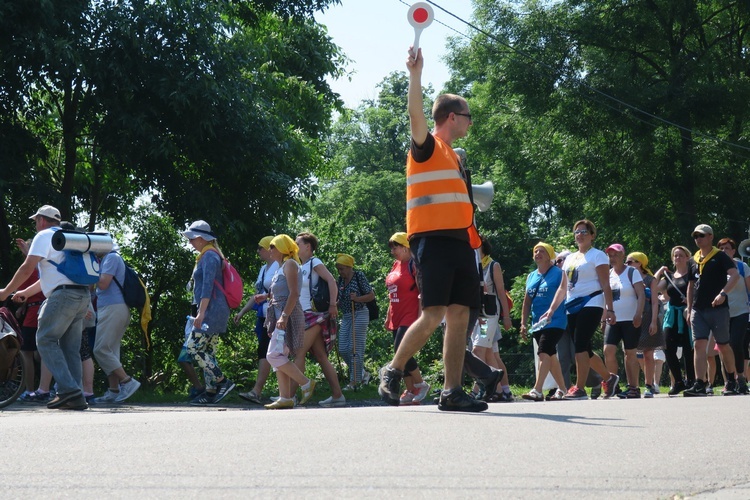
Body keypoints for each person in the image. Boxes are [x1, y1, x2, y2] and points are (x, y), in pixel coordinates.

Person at [378, 44, 488, 413]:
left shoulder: (455, 157)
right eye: (469, 116)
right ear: (453, 117)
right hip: (432, 242)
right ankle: (393, 370)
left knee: (458, 316)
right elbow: (414, 115)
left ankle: (452, 391)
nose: (471, 122)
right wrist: (415, 74)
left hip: (460, 243)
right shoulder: (426, 147)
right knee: (434, 313)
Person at [0, 205, 90, 410]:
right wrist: (24, 294)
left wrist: (5, 292)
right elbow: (50, 278)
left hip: (63, 297)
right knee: (70, 348)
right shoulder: (67, 237)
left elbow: (26, 268)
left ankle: (69, 390)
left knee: (44, 339)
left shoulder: (44, 236)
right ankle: (76, 397)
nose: (35, 225)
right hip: (82, 295)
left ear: (41, 220)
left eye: (35, 221)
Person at [540, 219, 619, 400]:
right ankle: (609, 378)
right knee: (585, 349)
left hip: (592, 302)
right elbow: (563, 287)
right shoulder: (570, 258)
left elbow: (606, 284)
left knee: (580, 346)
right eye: (577, 232)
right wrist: (552, 309)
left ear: (592, 235)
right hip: (572, 305)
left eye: (584, 231)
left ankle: (579, 388)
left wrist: (610, 309)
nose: (580, 235)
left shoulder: (598, 255)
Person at [182, 220, 235, 405]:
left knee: (193, 348)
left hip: (211, 311)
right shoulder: (208, 255)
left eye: (192, 239)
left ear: (201, 238)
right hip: (213, 310)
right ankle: (211, 392)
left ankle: (223, 382)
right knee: (207, 351)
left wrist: (201, 313)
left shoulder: (209, 257)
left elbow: (207, 287)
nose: (190, 242)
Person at [683, 224, 740, 396]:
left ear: (710, 237)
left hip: (718, 309)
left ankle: (731, 380)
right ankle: (700, 383)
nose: (698, 239)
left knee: (723, 345)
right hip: (698, 310)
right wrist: (689, 307)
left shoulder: (720, 256)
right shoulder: (693, 260)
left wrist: (723, 293)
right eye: (695, 236)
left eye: (701, 236)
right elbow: (691, 285)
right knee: (699, 345)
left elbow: (735, 275)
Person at [263, 234, 316, 409]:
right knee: (280, 355)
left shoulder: (291, 264)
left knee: (274, 355)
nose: (269, 250)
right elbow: (281, 292)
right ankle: (285, 397)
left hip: (288, 316)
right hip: (280, 316)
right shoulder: (280, 267)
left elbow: (294, 293)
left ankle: (306, 383)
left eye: (273, 246)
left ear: (282, 248)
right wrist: (264, 297)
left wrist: (284, 316)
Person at [293, 232, 345, 408]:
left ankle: (289, 396)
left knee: (298, 353)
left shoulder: (315, 262)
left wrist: (332, 304)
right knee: (322, 357)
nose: (295, 247)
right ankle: (338, 395)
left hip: (313, 316)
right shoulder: (301, 265)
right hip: (304, 315)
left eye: (298, 244)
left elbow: (331, 280)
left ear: (308, 247)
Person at [384, 232, 430, 404]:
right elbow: (391, 292)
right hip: (396, 315)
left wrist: (421, 317)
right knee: (398, 352)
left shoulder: (414, 264)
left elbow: (421, 292)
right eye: (391, 248)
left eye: (395, 247)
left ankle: (420, 384)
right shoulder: (395, 265)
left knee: (402, 350)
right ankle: (411, 390)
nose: (393, 251)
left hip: (410, 315)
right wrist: (389, 316)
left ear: (405, 247)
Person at [91, 244, 141, 403]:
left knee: (100, 349)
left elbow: (104, 283)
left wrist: (89, 272)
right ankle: (113, 390)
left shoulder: (111, 257)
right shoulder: (107, 258)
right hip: (113, 308)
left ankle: (127, 382)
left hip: (113, 308)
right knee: (110, 351)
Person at [519, 242, 567, 401]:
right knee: (551, 356)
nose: (537, 253)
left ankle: (537, 390)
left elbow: (562, 292)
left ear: (550, 256)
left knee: (543, 352)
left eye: (542, 251)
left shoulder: (559, 273)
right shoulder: (531, 276)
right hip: (537, 323)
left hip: (554, 321)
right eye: (535, 251)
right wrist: (523, 323)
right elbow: (527, 302)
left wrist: (551, 310)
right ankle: (562, 389)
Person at [470, 237, 513, 402]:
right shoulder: (473, 265)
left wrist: (506, 316)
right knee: (491, 354)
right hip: (476, 317)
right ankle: (502, 390)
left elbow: (501, 293)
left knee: (477, 351)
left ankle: (477, 389)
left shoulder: (493, 265)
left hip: (488, 316)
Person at [236, 236, 278, 404]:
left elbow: (282, 290)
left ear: (270, 249)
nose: (258, 251)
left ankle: (258, 391)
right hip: (263, 315)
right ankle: (287, 391)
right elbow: (257, 296)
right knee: (266, 351)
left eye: (261, 247)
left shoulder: (278, 266)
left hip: (275, 314)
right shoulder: (263, 269)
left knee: (270, 352)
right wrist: (242, 312)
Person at [12, 238, 53, 403]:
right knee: (39, 354)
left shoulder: (38, 266)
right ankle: (44, 389)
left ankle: (31, 391)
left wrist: (28, 253)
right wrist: (23, 307)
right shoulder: (35, 267)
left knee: (26, 353)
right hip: (33, 309)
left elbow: (33, 276)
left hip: (35, 314)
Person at [602, 243, 645, 399]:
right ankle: (613, 384)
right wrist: (603, 318)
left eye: (615, 254)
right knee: (608, 350)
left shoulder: (632, 272)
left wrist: (639, 314)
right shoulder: (607, 274)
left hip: (630, 318)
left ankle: (633, 387)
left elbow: (641, 294)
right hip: (613, 319)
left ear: (622, 255)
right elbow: (605, 298)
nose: (612, 258)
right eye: (610, 255)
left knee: (630, 353)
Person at [654, 246, 696, 395]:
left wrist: (690, 300)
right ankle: (678, 381)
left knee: (688, 348)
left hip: (686, 314)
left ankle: (691, 380)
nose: (678, 258)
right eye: (675, 256)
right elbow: (653, 288)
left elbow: (699, 289)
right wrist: (659, 271)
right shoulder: (669, 277)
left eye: (681, 255)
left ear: (687, 257)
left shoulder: (692, 275)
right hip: (672, 315)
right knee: (668, 347)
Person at [627, 252, 664, 398]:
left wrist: (654, 321)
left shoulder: (650, 280)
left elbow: (655, 302)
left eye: (631, 262)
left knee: (648, 354)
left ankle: (649, 385)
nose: (627, 265)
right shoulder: (627, 278)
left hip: (648, 317)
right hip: (631, 317)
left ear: (640, 263)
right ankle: (633, 386)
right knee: (632, 354)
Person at [335, 253, 374, 389]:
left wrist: (357, 299)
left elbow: (370, 295)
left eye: (342, 269)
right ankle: (362, 373)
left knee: (355, 348)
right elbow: (340, 298)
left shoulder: (358, 276)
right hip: (346, 315)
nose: (340, 272)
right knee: (343, 349)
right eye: (339, 269)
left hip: (359, 313)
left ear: (350, 267)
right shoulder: (340, 280)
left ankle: (354, 382)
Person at [717, 237, 750, 394]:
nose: (724, 251)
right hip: (721, 313)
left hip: (741, 312)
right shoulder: (715, 268)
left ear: (733, 251)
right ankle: (729, 381)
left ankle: (741, 379)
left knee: (736, 343)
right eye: (721, 249)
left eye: (727, 248)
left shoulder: (742, 267)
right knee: (724, 347)